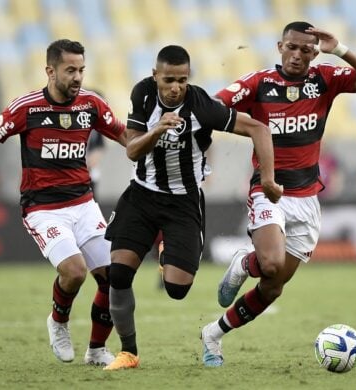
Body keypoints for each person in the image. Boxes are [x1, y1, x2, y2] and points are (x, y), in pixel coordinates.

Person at [200, 21, 356, 366]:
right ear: (279, 46)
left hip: (308, 198)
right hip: (269, 192)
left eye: (305, 49)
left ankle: (213, 333)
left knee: (271, 288)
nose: (297, 55)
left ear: (314, 53)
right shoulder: (259, 83)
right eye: (291, 47)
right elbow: (212, 107)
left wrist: (340, 49)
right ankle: (246, 262)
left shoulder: (324, 79)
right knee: (269, 264)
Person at [0, 39, 127, 366]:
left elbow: (125, 136)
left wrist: (155, 148)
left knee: (115, 278)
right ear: (50, 71)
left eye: (81, 69)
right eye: (70, 70)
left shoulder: (92, 104)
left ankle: (96, 350)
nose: (78, 77)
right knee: (75, 272)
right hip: (42, 209)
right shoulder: (28, 108)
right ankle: (59, 322)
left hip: (83, 203)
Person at [102, 45, 283, 370]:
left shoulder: (202, 105)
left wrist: (268, 180)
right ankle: (128, 352)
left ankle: (167, 254)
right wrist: (156, 129)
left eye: (182, 80)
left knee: (177, 289)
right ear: (155, 76)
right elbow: (131, 150)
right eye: (169, 80)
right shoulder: (142, 94)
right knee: (118, 273)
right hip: (141, 196)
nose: (175, 88)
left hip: (183, 203)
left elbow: (259, 128)